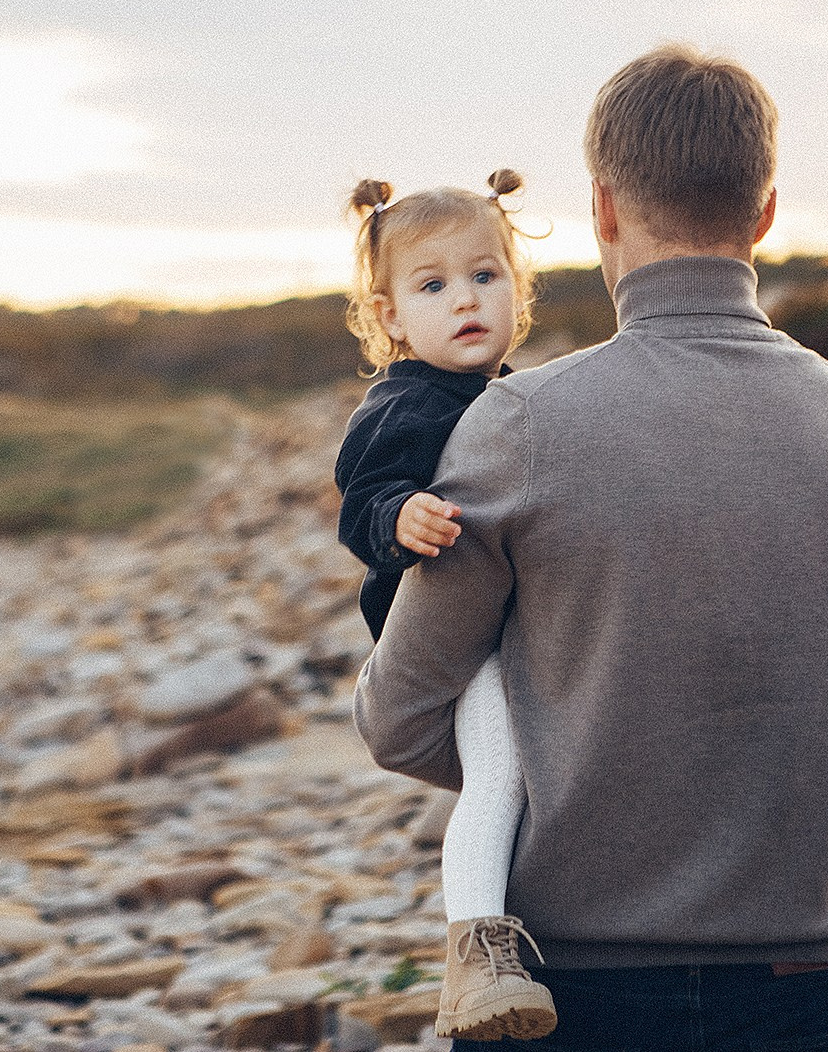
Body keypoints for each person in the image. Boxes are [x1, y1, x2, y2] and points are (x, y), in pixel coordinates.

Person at [355, 45, 828, 1051]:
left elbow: (398, 714)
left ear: (600, 208)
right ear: (763, 211)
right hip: (790, 988)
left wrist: (579, 759)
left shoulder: (517, 426)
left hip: (560, 997)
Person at [334, 169, 560, 1041]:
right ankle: (476, 952)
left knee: (537, 769)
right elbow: (361, 502)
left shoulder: (518, 393)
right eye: (433, 286)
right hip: (448, 638)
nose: (465, 300)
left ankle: (545, 917)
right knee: (499, 771)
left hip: (518, 619)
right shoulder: (405, 399)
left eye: (485, 275)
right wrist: (401, 514)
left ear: (517, 288)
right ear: (391, 315)